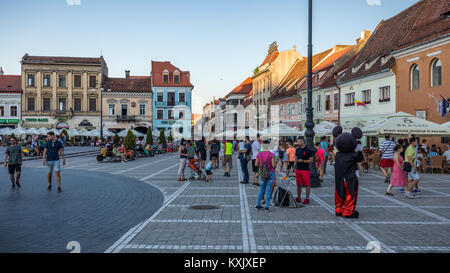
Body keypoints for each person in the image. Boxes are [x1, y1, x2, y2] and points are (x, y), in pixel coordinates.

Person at [332, 126, 364, 218]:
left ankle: (339, 209)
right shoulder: (354, 154)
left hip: (339, 178)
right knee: (351, 194)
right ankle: (348, 212)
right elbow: (361, 159)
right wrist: (358, 150)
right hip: (350, 178)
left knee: (339, 193)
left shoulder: (337, 155)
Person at [255, 144, 276, 212]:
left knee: (261, 189)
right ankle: (266, 207)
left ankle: (258, 205)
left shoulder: (259, 154)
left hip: (262, 173)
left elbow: (256, 164)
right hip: (270, 173)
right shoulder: (271, 154)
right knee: (268, 190)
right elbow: (273, 165)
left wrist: (262, 165)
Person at [295, 137, 314, 205]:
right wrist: (294, 167)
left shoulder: (308, 150)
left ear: (302, 141)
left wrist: (303, 161)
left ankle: (307, 198)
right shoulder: (297, 149)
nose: (298, 143)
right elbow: (296, 158)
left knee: (307, 184)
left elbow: (311, 160)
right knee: (298, 185)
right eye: (297, 141)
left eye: (299, 141)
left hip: (305, 170)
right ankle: (298, 197)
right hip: (298, 169)